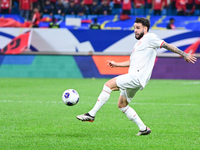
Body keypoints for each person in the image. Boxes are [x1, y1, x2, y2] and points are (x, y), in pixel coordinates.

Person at [76, 17, 197, 136]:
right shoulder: (138, 45)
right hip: (135, 77)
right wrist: (117, 64)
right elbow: (132, 62)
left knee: (108, 85)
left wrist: (184, 54)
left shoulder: (150, 37)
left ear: (145, 29)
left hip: (137, 76)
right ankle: (143, 129)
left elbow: (166, 45)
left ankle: (91, 114)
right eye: (134, 27)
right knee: (122, 105)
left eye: (138, 28)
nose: (135, 30)